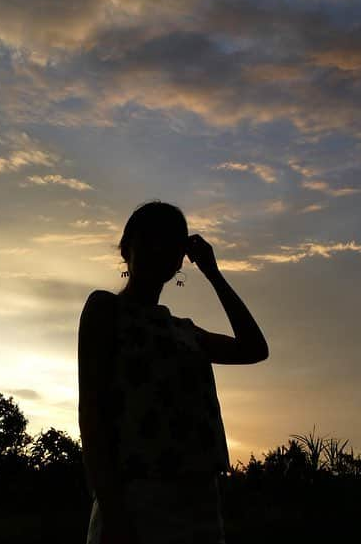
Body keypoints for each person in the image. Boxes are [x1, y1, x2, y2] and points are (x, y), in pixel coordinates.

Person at [78, 200, 269, 544]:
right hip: (137, 498)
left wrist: (213, 272)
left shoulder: (186, 331)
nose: (158, 249)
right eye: (149, 238)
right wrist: (114, 514)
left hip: (199, 504)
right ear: (127, 247)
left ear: (180, 258)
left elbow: (255, 348)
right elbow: (91, 415)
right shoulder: (105, 309)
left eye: (170, 242)